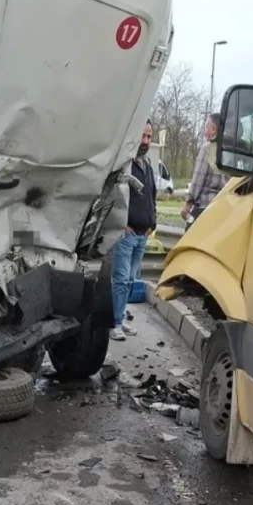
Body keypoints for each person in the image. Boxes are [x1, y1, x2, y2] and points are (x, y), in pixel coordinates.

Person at [110, 120, 157, 342]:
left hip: (141, 235)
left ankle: (121, 317)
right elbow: (114, 196)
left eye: (149, 137)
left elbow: (151, 197)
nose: (145, 141)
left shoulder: (147, 165)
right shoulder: (126, 165)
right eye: (142, 136)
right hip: (126, 234)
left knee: (129, 280)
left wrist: (152, 224)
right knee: (120, 280)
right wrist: (123, 224)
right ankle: (115, 323)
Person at [182, 114, 231, 225]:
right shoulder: (229, 152)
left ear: (213, 129)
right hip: (223, 208)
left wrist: (188, 202)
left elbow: (198, 179)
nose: (204, 131)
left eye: (206, 127)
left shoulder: (207, 149)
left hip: (204, 207)